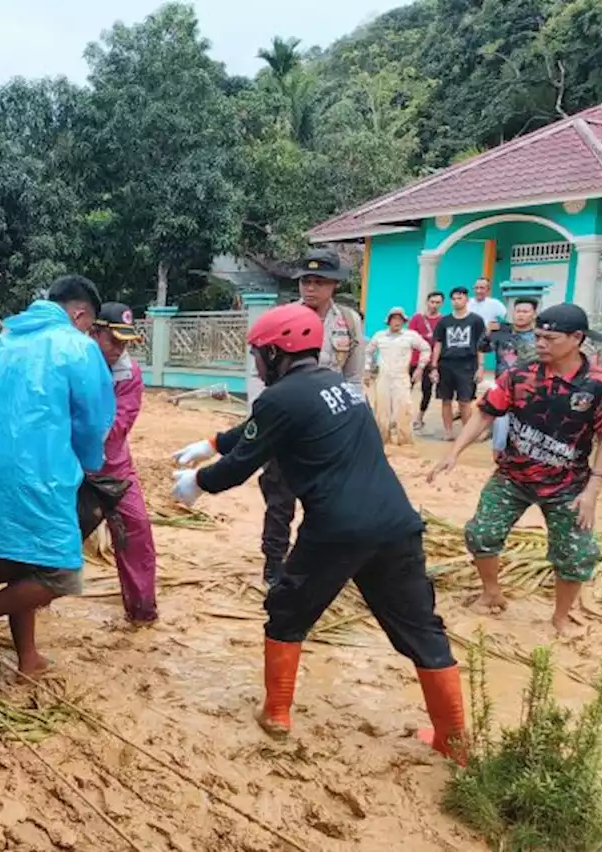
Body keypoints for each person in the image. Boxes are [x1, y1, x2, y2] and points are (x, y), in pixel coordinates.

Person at [172, 303, 466, 764]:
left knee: (287, 612)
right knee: (421, 629)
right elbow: (260, 430)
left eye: (257, 354)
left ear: (276, 351)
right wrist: (211, 442)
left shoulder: (280, 398)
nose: (255, 363)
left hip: (337, 530)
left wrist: (198, 481)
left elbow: (238, 468)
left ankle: (276, 714)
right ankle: (454, 743)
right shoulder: (340, 387)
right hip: (395, 523)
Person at [0, 276, 115, 677]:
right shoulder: (76, 346)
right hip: (37, 475)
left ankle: (28, 658)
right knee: (61, 571)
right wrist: (89, 461)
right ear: (80, 314)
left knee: (26, 563)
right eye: (89, 325)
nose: (89, 331)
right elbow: (93, 421)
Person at [176, 248, 364, 589]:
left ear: (334, 286)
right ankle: (274, 561)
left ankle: (323, 561)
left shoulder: (348, 322)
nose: (311, 288)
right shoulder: (282, 318)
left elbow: (353, 377)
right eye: (306, 280)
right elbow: (259, 373)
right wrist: (259, 419)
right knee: (279, 497)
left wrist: (351, 421)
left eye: (320, 282)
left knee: (330, 498)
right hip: (285, 422)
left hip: (327, 427)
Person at [429, 303, 602, 638]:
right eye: (537, 336)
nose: (539, 343)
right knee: (481, 533)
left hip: (568, 484)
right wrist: (455, 451)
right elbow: (485, 413)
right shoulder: (520, 374)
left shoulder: (596, 386)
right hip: (513, 476)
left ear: (576, 338)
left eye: (549, 338)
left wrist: (593, 491)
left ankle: (561, 617)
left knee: (577, 553)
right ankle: (492, 593)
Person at [91, 303, 157, 624]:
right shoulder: (71, 362)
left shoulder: (129, 373)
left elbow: (120, 422)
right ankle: (32, 600)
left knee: (137, 530)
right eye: (113, 340)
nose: (120, 349)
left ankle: (142, 610)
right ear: (94, 332)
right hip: (66, 465)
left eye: (125, 343)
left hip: (113, 468)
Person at [480, 297, 538, 461]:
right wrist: (488, 332)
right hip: (503, 389)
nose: (520, 315)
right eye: (518, 311)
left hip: (530, 391)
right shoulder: (501, 333)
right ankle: (498, 462)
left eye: (525, 312)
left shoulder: (539, 337)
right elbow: (482, 348)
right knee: (500, 428)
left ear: (534, 314)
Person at [365, 307, 431, 445]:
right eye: (394, 318)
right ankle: (382, 442)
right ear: (388, 321)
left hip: (401, 377)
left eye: (400, 319)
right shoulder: (379, 336)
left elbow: (426, 348)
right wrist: (367, 370)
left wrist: (420, 368)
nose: (397, 322)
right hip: (383, 377)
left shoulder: (411, 335)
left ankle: (405, 443)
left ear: (404, 321)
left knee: (404, 409)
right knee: (381, 411)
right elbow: (368, 352)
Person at [428, 287, 487, 441]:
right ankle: (448, 432)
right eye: (453, 299)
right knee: (445, 400)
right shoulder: (444, 321)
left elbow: (481, 345)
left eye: (459, 298)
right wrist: (434, 366)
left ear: (467, 299)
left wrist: (481, 367)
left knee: (465, 401)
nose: (456, 301)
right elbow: (438, 344)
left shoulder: (476, 321)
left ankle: (466, 434)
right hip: (446, 364)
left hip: (467, 365)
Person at [409, 291, 445, 430]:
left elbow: (441, 342)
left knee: (427, 390)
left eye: (438, 302)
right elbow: (410, 337)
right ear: (427, 302)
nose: (434, 305)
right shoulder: (417, 318)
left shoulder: (443, 321)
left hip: (432, 362)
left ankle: (420, 417)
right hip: (414, 360)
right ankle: (403, 416)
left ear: (442, 304)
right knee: (407, 388)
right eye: (432, 302)